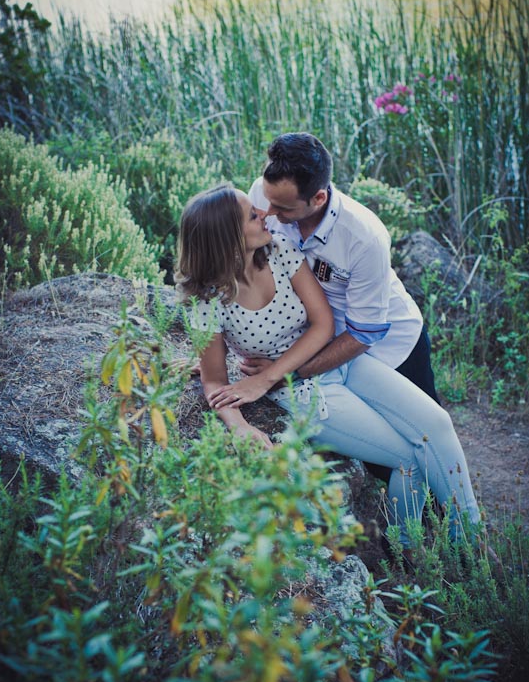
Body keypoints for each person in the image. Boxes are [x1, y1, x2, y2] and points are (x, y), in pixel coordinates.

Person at [176, 184, 481, 548]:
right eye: (252, 215)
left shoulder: (279, 251)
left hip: (337, 362)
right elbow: (214, 381)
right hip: (304, 395)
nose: (264, 213)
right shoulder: (208, 301)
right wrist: (238, 425)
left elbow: (324, 325)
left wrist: (275, 374)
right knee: (408, 459)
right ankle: (408, 551)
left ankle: (474, 541)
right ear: (227, 237)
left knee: (437, 424)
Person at [246, 132, 439, 402]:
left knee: (423, 428)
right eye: (267, 201)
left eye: (283, 208)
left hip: (389, 348)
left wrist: (284, 375)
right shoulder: (265, 194)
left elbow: (363, 335)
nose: (268, 213)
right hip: (318, 341)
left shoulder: (364, 237)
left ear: (319, 198)